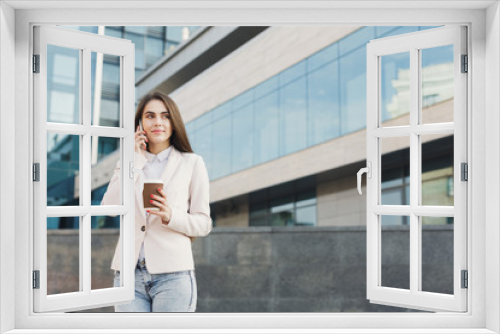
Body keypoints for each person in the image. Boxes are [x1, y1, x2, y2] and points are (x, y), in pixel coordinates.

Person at [101, 92, 212, 312]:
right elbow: (110, 208)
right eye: (150, 116)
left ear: (174, 122)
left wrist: (170, 215)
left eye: (165, 116)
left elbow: (204, 223)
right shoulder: (129, 161)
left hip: (173, 276)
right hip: (128, 276)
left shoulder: (192, 163)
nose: (158, 122)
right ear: (140, 123)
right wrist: (134, 160)